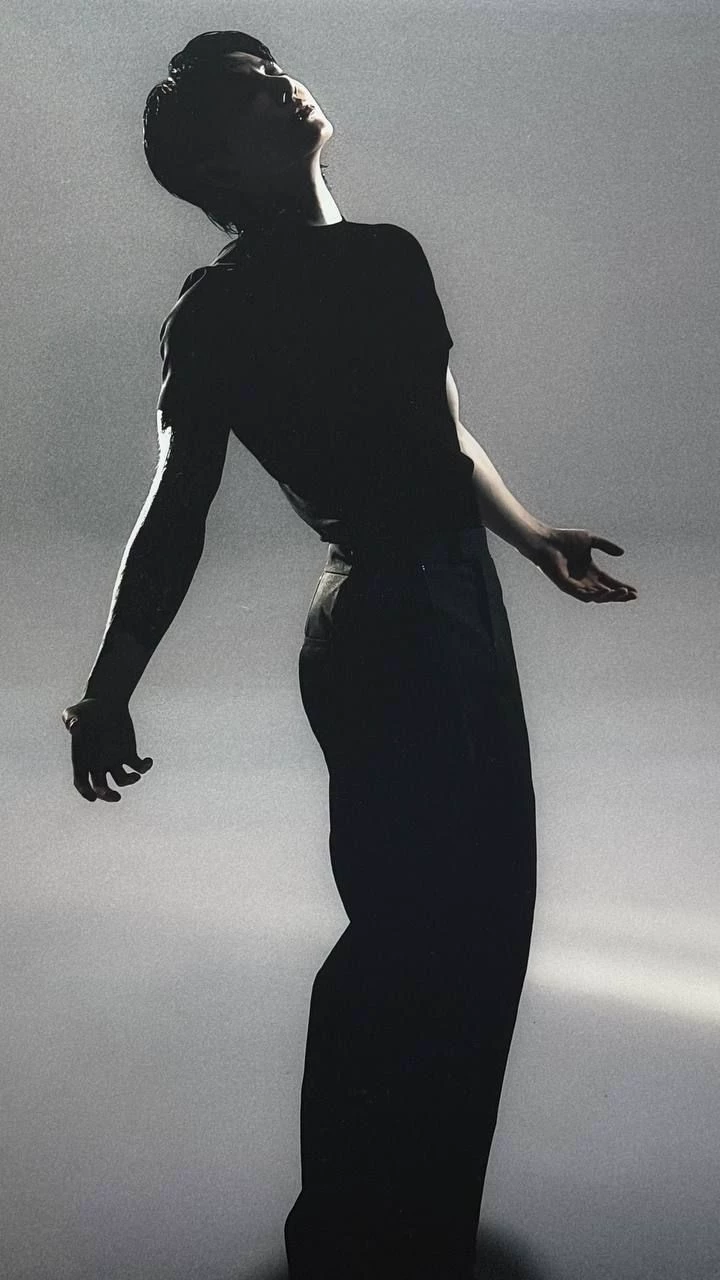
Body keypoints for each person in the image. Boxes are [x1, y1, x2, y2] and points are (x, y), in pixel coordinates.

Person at [61, 31, 638, 1280]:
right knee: (418, 941)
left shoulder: (377, 259)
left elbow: (442, 437)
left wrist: (532, 536)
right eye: (249, 95)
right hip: (395, 627)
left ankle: (408, 1234)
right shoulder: (235, 306)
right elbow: (176, 510)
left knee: (469, 935)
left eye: (275, 71)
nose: (284, 86)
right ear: (220, 164)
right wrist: (107, 686)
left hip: (444, 610)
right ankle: (351, 1238)